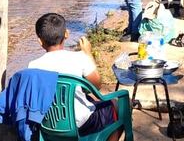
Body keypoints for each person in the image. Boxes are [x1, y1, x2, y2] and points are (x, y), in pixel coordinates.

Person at [28, 13, 121, 141]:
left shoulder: (32, 66)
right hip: (82, 123)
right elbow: (97, 86)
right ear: (66, 34)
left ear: (40, 41)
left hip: (49, 124)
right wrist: (88, 53)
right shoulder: (79, 57)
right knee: (115, 106)